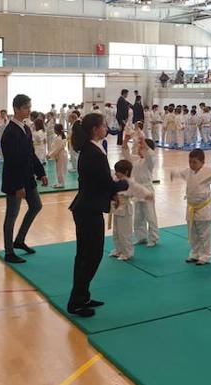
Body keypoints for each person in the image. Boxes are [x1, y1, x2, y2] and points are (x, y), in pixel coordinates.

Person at [67, 113, 129, 317]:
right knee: (90, 256)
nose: (106, 128)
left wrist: (113, 192)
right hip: (88, 209)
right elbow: (106, 182)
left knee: (86, 255)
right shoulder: (95, 153)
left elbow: (100, 182)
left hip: (87, 207)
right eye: (104, 126)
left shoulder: (90, 149)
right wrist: (124, 183)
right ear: (95, 129)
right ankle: (76, 301)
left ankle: (82, 296)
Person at [1, 94, 48, 264]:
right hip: (15, 181)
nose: (29, 110)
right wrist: (18, 186)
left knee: (36, 206)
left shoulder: (26, 128)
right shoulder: (10, 132)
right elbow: (13, 162)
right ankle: (8, 251)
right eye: (26, 107)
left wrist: (41, 172)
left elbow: (30, 154)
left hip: (28, 177)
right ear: (17, 109)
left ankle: (19, 240)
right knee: (11, 215)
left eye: (29, 106)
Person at [109, 159, 154, 261]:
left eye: (118, 172)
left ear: (125, 172)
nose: (116, 173)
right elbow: (110, 175)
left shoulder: (130, 183)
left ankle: (127, 252)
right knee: (116, 232)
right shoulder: (116, 180)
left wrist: (148, 195)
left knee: (124, 233)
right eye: (115, 171)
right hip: (116, 210)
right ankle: (118, 250)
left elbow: (139, 189)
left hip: (125, 211)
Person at [121, 133, 160, 247]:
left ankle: (153, 237)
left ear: (147, 149)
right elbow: (126, 154)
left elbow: (150, 155)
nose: (139, 148)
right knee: (138, 216)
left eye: (142, 147)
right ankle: (141, 236)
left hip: (147, 189)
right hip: (137, 190)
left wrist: (145, 143)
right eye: (139, 147)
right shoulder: (136, 159)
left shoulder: (150, 161)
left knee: (150, 214)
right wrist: (125, 141)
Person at [47, 124, 68, 189]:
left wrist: (49, 155)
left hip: (61, 154)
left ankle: (61, 183)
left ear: (56, 130)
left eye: (54, 129)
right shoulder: (59, 137)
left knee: (60, 169)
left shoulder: (59, 138)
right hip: (60, 154)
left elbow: (56, 149)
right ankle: (60, 182)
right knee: (59, 169)